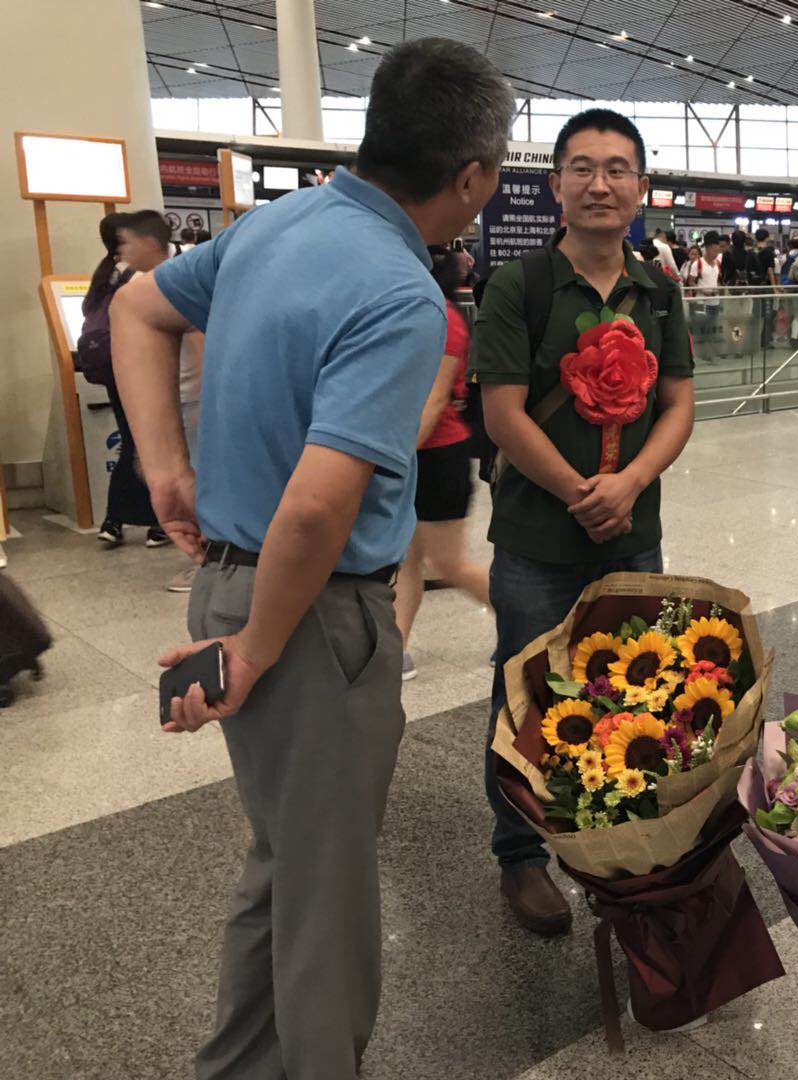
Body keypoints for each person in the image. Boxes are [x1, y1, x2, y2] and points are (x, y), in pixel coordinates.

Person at [111, 38, 511, 1078]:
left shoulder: (274, 224)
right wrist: (258, 646)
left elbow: (136, 308)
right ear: (471, 178)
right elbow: (318, 507)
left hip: (228, 582)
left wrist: (164, 468)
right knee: (327, 896)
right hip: (309, 617)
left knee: (287, 862)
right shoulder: (400, 291)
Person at [473, 107, 695, 936]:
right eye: (583, 168)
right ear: (556, 184)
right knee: (526, 696)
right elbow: (502, 414)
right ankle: (519, 854)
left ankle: (608, 836)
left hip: (633, 535)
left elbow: (679, 402)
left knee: (627, 687)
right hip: (537, 541)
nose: (600, 184)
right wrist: (580, 491)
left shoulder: (658, 289)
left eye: (617, 169)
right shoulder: (518, 285)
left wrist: (629, 482)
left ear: (641, 186)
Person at [394, 246, 492, 681]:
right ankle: (397, 647)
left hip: (439, 456)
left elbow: (435, 401)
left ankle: (525, 624)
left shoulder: (445, 319)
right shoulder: (416, 312)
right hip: (414, 453)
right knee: (407, 560)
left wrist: (392, 456)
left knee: (448, 563)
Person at [88, 210, 173, 550]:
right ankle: (158, 521)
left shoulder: (104, 275)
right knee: (149, 445)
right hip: (142, 371)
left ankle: (114, 520)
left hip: (115, 372)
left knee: (132, 443)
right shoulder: (137, 276)